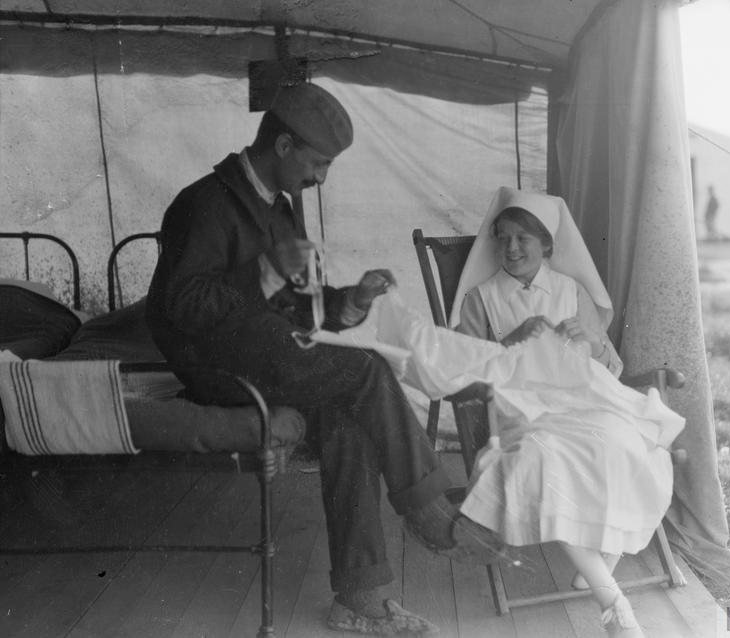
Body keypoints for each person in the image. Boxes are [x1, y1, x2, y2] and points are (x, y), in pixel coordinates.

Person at [146, 82, 487, 636]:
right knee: (365, 370)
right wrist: (267, 270)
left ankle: (361, 599)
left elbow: (294, 305)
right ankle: (428, 508)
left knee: (348, 417)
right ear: (283, 146)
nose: (322, 178)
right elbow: (180, 307)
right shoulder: (203, 203)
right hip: (218, 368)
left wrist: (347, 301)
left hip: (271, 355)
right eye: (319, 163)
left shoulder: (281, 209)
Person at [452, 187, 676, 638]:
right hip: (523, 410)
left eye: (523, 239)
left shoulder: (572, 290)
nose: (512, 248)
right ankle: (613, 603)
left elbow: (608, 367)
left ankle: (598, 564)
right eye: (504, 238)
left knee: (624, 445)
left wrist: (592, 341)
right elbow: (464, 376)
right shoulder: (482, 297)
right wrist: (510, 340)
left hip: (586, 400)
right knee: (546, 460)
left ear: (548, 245)